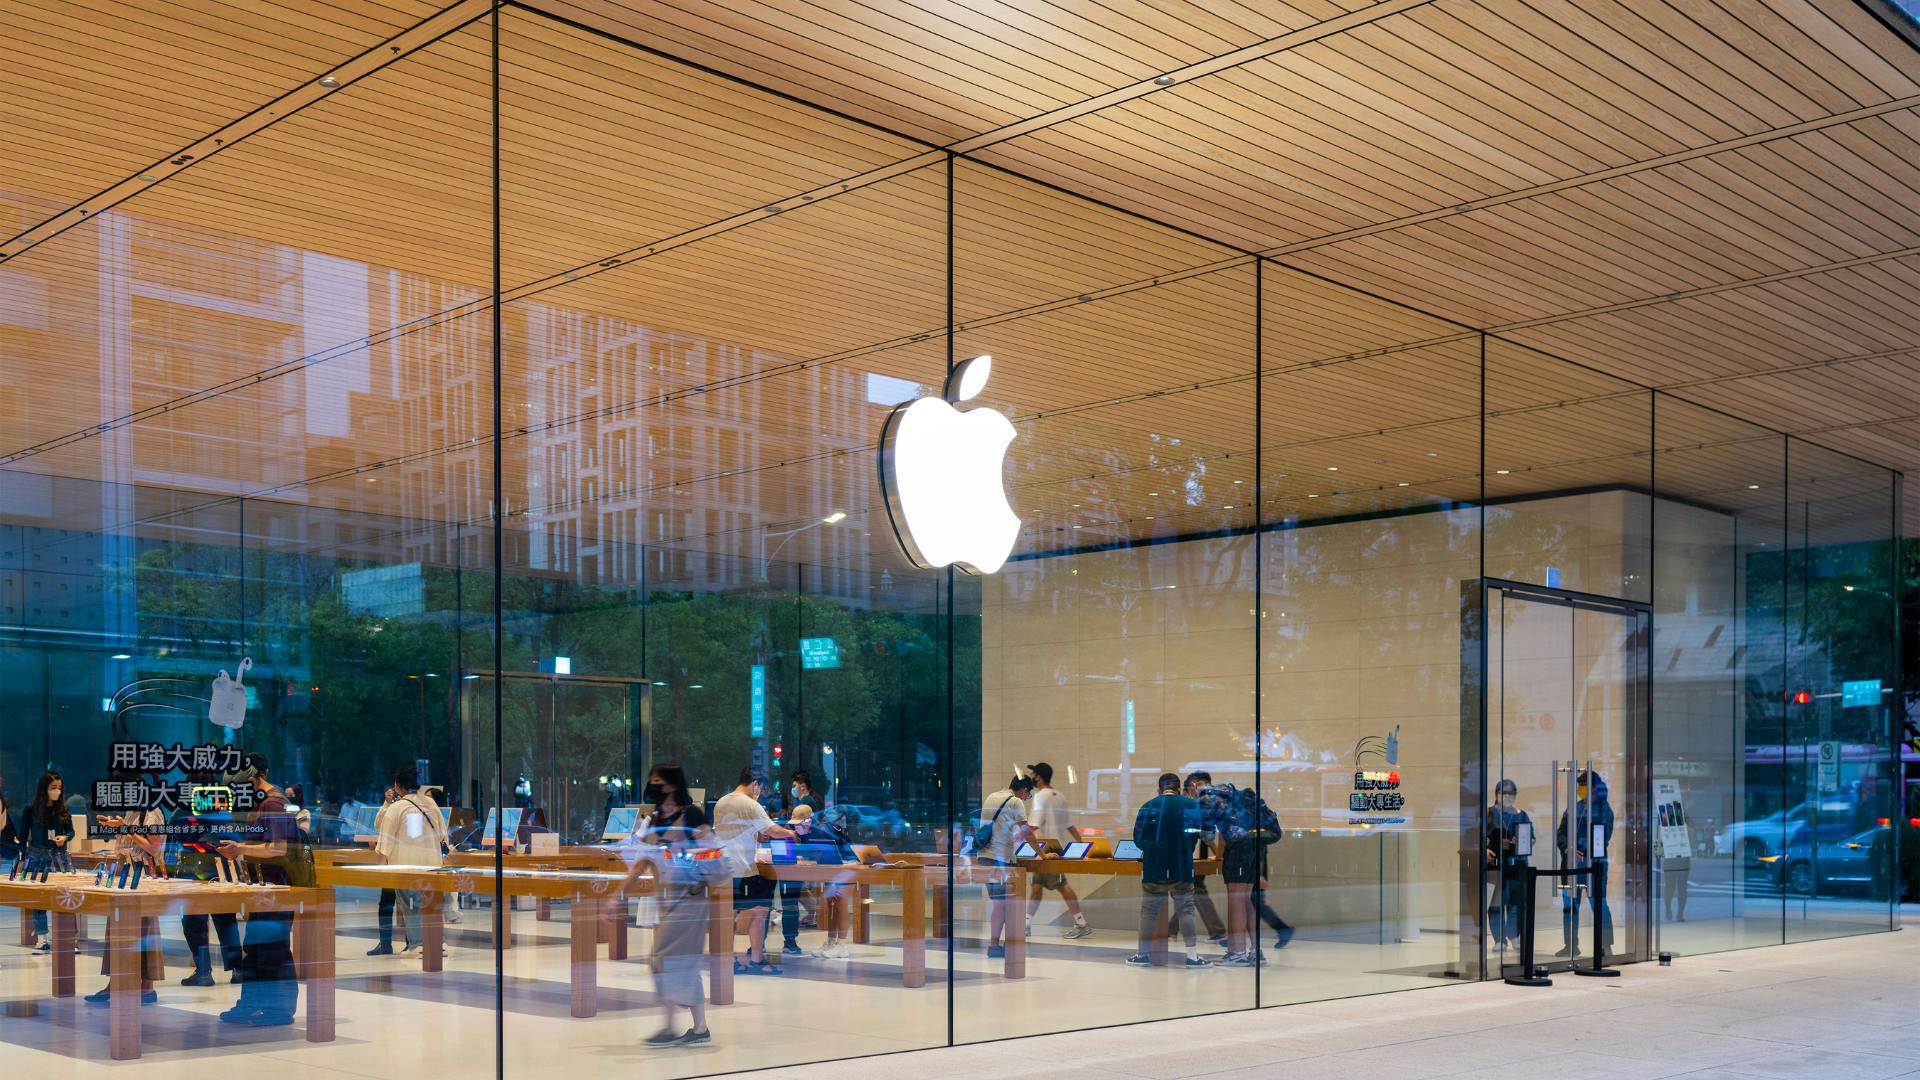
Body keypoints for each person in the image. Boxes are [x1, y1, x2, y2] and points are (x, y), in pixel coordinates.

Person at [623, 764, 714, 1047]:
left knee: (666, 960)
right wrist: (620, 893)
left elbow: (710, 850)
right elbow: (642, 860)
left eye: (658, 781)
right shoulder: (656, 817)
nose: (653, 785)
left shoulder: (693, 814)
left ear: (673, 784)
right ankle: (691, 1027)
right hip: (667, 897)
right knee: (673, 962)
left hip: (691, 897)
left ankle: (682, 1026)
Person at [215, 752, 300, 1026]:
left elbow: (280, 848)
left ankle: (279, 1010)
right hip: (262, 889)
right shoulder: (260, 804)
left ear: (253, 780)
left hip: (278, 890)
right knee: (254, 947)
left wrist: (240, 848)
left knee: (274, 948)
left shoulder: (274, 804)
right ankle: (251, 1005)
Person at [86, 774, 166, 1004]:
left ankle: (146, 988)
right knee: (117, 928)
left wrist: (126, 829)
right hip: (126, 876)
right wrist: (117, 825)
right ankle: (116, 984)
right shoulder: (133, 810)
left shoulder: (153, 812)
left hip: (145, 879)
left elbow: (154, 848)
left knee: (145, 931)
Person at [712, 768, 794, 974]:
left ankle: (727, 960)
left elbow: (737, 831)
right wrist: (791, 833)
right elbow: (773, 830)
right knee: (759, 911)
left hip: (723, 865)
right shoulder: (750, 804)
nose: (761, 792)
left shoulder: (722, 802)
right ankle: (757, 960)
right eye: (761, 788)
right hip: (743, 867)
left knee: (728, 915)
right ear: (755, 784)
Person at [1127, 773, 1210, 968]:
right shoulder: (1191, 805)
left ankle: (1142, 955)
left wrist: (1153, 849)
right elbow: (1204, 835)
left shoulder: (1148, 806)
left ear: (1159, 789)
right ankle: (1192, 957)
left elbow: (1138, 840)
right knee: (1186, 911)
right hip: (1181, 866)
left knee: (1148, 912)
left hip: (1154, 868)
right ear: (1179, 789)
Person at [375, 765, 450, 956]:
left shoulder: (397, 808)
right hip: (433, 865)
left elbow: (385, 842)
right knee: (433, 906)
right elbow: (444, 834)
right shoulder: (431, 804)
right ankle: (437, 943)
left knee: (411, 906)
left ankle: (417, 945)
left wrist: (379, 870)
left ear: (398, 786)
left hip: (406, 866)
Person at [1025, 762, 1092, 939]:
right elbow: (1070, 825)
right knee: (1037, 887)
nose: (1032, 777)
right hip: (1056, 849)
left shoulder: (1040, 797)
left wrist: (1018, 840)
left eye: (1033, 774)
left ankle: (1081, 923)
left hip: (1045, 850)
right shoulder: (1059, 796)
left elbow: (1033, 826)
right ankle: (1025, 924)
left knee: (1062, 885)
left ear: (1038, 776)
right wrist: (1082, 844)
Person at [1555, 769, 1614, 958]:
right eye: (1579, 786)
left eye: (1585, 785)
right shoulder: (1573, 808)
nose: (1581, 789)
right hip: (1572, 864)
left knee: (1599, 904)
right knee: (1569, 904)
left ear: (1595, 788)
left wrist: (1585, 851)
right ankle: (1571, 945)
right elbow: (1561, 833)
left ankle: (1605, 946)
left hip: (1594, 864)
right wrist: (1568, 849)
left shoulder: (1604, 809)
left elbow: (1603, 837)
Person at [976, 774, 1034, 960]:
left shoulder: (991, 796)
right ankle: (996, 945)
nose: (1027, 798)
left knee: (999, 903)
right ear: (1024, 790)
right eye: (1028, 794)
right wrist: (1042, 854)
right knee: (1003, 903)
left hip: (984, 857)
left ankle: (996, 944)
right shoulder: (1016, 802)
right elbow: (1026, 832)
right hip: (1000, 859)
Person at [788, 805, 856, 959]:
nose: (796, 826)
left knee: (840, 903)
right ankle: (832, 943)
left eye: (799, 823)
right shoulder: (804, 833)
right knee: (832, 904)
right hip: (830, 869)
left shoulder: (825, 830)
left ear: (809, 820)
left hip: (846, 866)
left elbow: (844, 849)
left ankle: (842, 945)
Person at [23, 770, 74, 950]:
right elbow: (23, 837)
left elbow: (71, 832)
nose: (57, 791)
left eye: (59, 788)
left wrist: (65, 838)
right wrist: (23, 859)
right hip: (38, 857)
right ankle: (42, 937)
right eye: (53, 787)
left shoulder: (63, 810)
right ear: (44, 788)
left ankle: (68, 939)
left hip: (59, 857)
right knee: (40, 899)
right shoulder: (31, 811)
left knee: (66, 897)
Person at [778, 771, 824, 953]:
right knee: (790, 899)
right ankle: (789, 939)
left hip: (806, 865)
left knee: (794, 898)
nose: (796, 828)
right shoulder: (797, 829)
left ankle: (810, 918)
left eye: (795, 784)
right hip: (793, 866)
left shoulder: (817, 830)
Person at [1485, 778, 1532, 953]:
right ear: (1496, 794)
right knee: (1497, 903)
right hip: (1498, 867)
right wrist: (1487, 849)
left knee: (1515, 904)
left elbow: (1531, 839)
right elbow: (1477, 835)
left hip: (1518, 865)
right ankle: (1499, 939)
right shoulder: (1490, 814)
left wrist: (1519, 842)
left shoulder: (1522, 815)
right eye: (1503, 793)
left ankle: (1514, 936)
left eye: (1511, 793)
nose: (1507, 796)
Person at [1183, 771, 1229, 945]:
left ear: (1194, 785)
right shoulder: (1220, 796)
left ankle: (1218, 931)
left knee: (1193, 888)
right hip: (1205, 850)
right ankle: (1171, 929)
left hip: (1197, 852)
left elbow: (1206, 835)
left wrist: (1218, 855)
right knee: (1187, 890)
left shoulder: (1203, 800)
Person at [366, 780, 411, 956]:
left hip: (405, 861)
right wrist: (386, 803)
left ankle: (411, 942)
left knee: (408, 904)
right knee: (386, 903)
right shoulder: (392, 806)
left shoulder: (411, 806)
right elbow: (378, 824)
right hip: (391, 863)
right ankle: (385, 943)